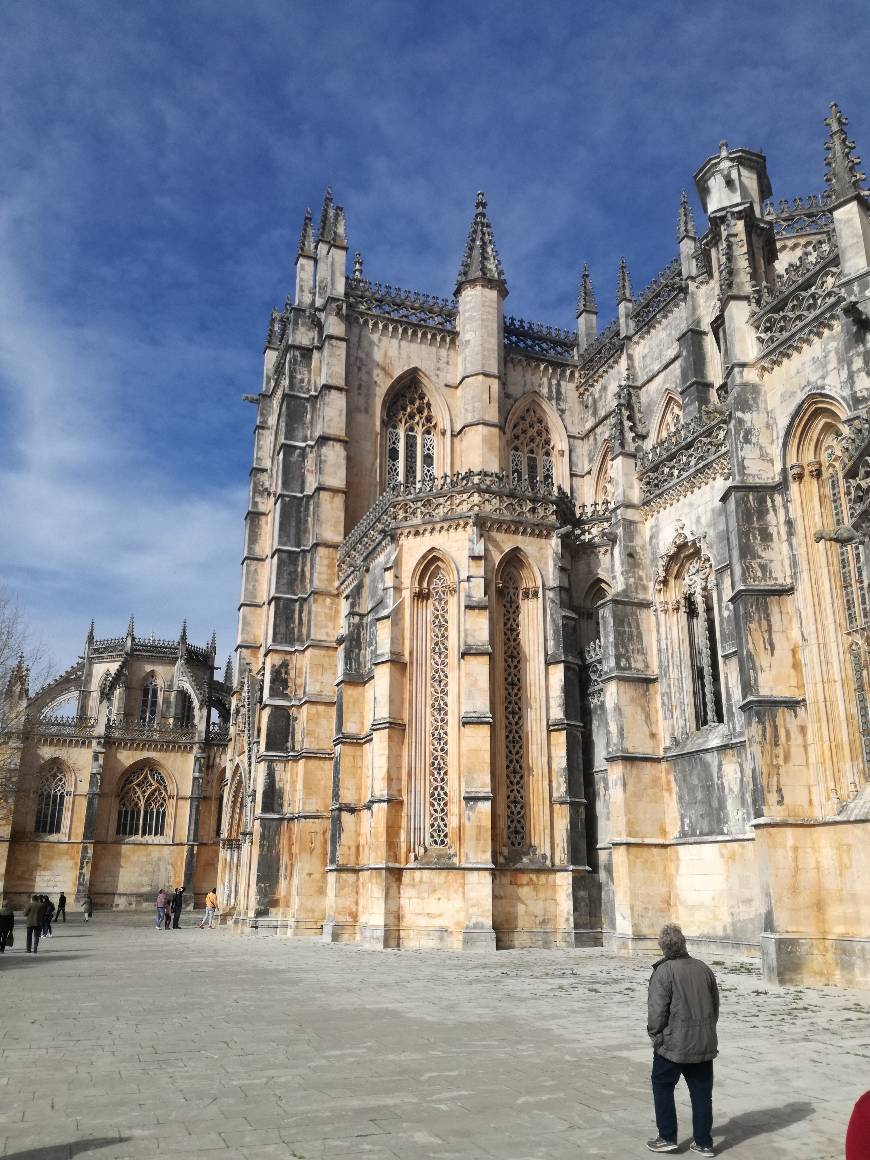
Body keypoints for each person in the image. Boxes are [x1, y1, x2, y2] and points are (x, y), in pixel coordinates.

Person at [646, 923, 719, 1156]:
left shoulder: (664, 972)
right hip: (703, 1042)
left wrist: (655, 1035)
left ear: (663, 948)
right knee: (701, 1093)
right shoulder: (704, 968)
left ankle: (667, 1136)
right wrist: (706, 1030)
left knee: (662, 1085)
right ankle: (704, 1142)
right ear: (684, 943)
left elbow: (657, 1011)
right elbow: (715, 1006)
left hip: (673, 1045)